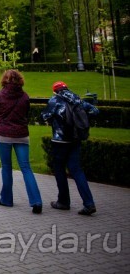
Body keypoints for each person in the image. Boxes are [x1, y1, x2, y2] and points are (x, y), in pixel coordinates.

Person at [41, 81, 98, 216]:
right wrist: (81, 119)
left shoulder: (54, 100)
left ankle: (63, 201)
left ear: (55, 91)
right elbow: (95, 111)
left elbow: (44, 116)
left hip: (60, 140)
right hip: (75, 139)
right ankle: (89, 203)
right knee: (77, 170)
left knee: (59, 170)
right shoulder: (77, 99)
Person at [0, 69, 42, 214]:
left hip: (4, 134)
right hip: (21, 134)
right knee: (26, 167)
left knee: (6, 167)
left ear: (4, 80)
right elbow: (26, 112)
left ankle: (6, 199)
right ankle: (36, 200)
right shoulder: (24, 96)